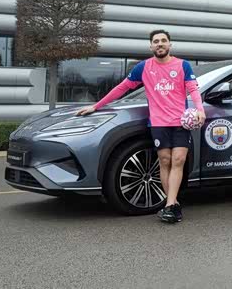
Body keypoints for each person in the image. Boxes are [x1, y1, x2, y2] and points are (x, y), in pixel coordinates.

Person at [77, 30, 205, 223]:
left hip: (181, 122)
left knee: (178, 160)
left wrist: (200, 110)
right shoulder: (143, 67)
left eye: (163, 40)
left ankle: (170, 205)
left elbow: (193, 89)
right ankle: (173, 204)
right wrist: (96, 106)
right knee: (165, 161)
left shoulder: (182, 65)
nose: (160, 44)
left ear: (170, 44)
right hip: (158, 122)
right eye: (156, 41)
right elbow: (122, 88)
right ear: (151, 46)